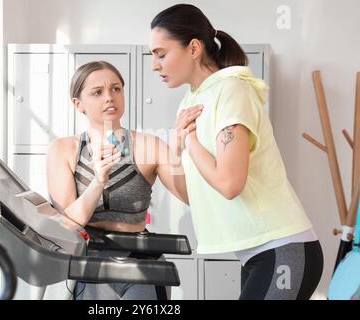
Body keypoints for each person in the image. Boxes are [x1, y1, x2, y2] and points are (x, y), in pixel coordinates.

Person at [149, 4, 323, 300]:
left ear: (193, 48)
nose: (155, 65)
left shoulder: (231, 90)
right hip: (255, 255)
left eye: (161, 54)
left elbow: (230, 184)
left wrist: (189, 139)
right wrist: (172, 152)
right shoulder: (190, 101)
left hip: (283, 248)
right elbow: (195, 195)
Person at [46, 60, 191, 300]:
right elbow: (70, 224)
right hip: (89, 264)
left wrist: (178, 151)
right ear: (78, 103)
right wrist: (98, 180)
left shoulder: (150, 146)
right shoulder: (63, 150)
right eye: (97, 92)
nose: (109, 98)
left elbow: (189, 196)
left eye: (116, 89)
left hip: (141, 265)